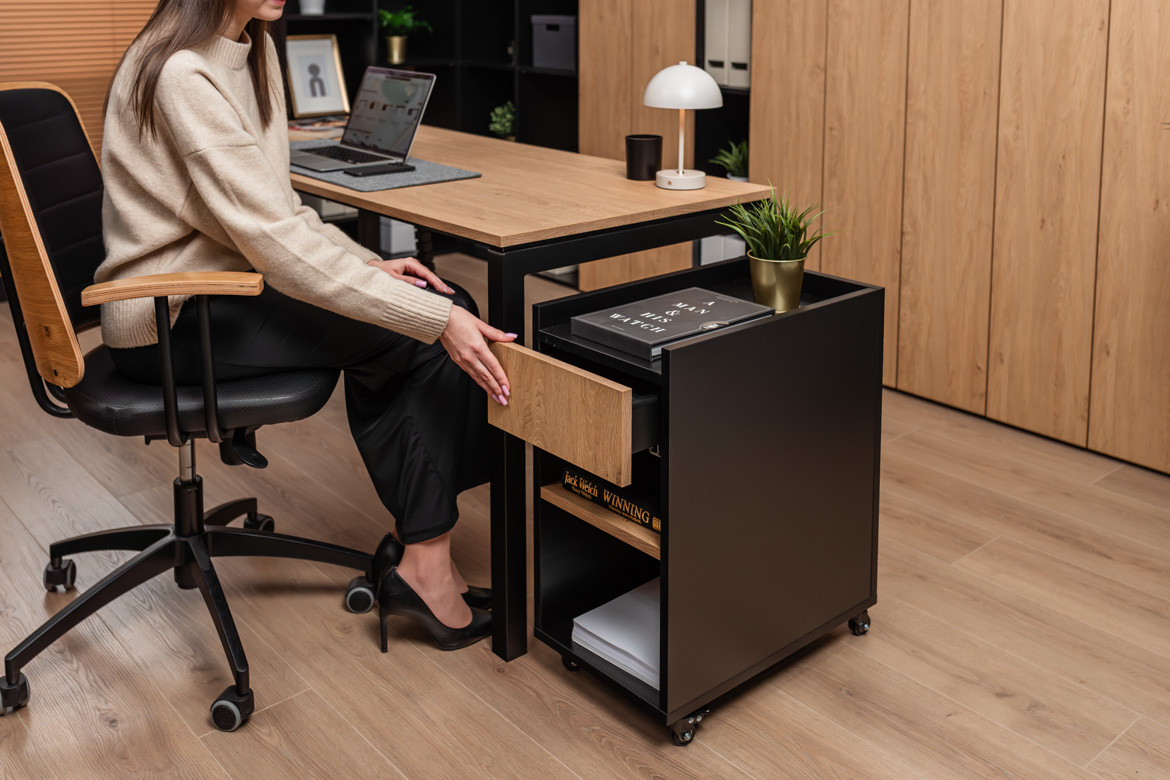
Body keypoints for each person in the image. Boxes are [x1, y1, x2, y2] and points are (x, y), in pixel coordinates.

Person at [98, 0, 512, 652]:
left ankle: (423, 550)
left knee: (439, 296)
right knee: (427, 328)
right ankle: (426, 566)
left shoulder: (250, 48)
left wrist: (374, 265)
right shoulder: (182, 74)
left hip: (224, 286)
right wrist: (431, 318)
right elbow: (273, 243)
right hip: (170, 319)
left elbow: (281, 213)